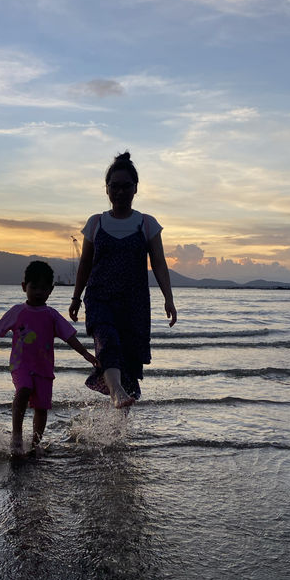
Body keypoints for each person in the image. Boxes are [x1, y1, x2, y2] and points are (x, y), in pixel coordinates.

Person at [69, 151, 177, 408]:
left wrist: (169, 299)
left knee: (128, 362)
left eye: (125, 186)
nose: (119, 192)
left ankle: (118, 432)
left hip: (134, 304)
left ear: (135, 188)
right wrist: (75, 297)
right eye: (114, 187)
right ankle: (116, 392)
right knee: (108, 343)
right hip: (100, 298)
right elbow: (85, 263)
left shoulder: (146, 224)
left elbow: (159, 264)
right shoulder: (96, 223)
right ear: (106, 189)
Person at [0, 260, 98, 456]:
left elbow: (69, 336)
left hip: (44, 369)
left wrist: (85, 354)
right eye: (34, 287)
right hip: (21, 365)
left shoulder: (51, 315)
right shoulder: (18, 311)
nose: (38, 292)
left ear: (51, 290)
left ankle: (35, 445)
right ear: (24, 287)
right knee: (24, 389)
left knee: (41, 408)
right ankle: (16, 436)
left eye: (43, 288)